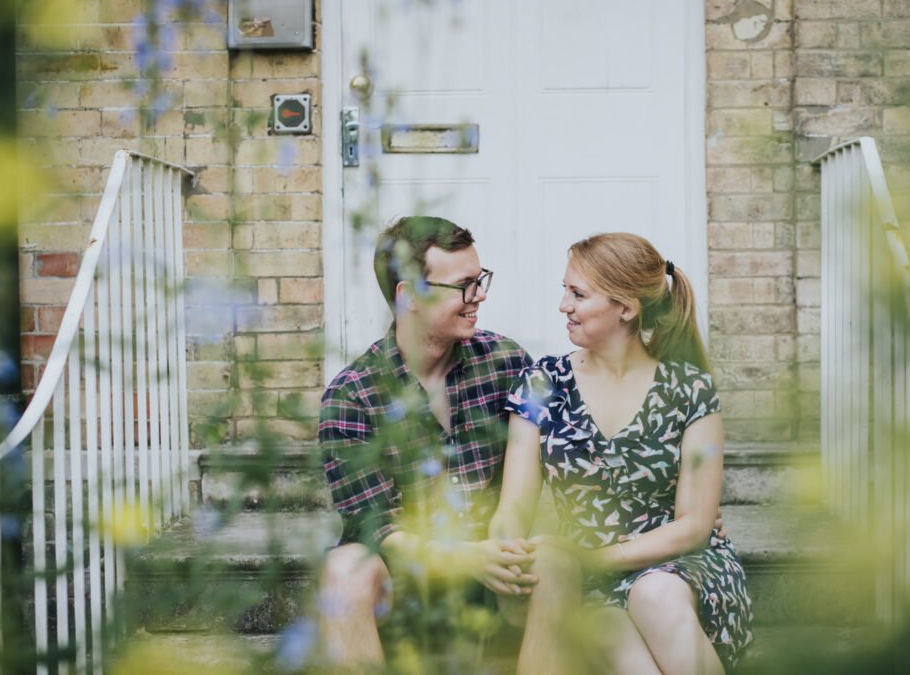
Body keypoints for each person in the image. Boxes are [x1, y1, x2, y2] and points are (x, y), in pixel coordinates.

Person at [490, 232, 754, 674]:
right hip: (587, 584)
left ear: (626, 309)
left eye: (577, 294)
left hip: (679, 567)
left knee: (655, 595)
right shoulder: (542, 382)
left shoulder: (689, 389)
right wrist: (507, 553)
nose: (563, 306)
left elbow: (694, 525)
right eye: (565, 290)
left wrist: (595, 558)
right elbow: (514, 504)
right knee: (619, 644)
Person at [317, 215, 548, 667]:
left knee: (557, 559)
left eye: (479, 279)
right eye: (464, 285)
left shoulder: (508, 362)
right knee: (343, 571)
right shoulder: (353, 395)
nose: (479, 295)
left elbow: (569, 454)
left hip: (502, 564)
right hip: (408, 574)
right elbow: (376, 526)